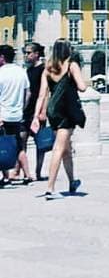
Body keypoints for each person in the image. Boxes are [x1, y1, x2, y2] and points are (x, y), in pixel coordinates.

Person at [35, 40, 86, 199]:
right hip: (67, 111)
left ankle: (72, 181)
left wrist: (37, 115)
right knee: (59, 148)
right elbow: (82, 87)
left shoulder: (48, 68)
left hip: (53, 111)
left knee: (66, 148)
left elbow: (42, 94)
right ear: (68, 50)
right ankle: (50, 188)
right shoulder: (71, 65)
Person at [0, 44, 33, 186]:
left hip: (3, 115)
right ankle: (27, 175)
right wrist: (22, 107)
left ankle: (6, 177)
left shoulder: (1, 73)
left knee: (3, 146)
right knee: (19, 146)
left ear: (2, 58)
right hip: (17, 115)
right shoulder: (21, 71)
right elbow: (28, 93)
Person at [23, 42, 47, 180]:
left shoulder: (43, 70)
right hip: (27, 110)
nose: (26, 55)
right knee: (22, 140)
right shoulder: (28, 70)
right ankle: (24, 171)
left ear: (36, 54)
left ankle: (38, 171)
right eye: (25, 53)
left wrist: (43, 111)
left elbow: (46, 92)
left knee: (40, 143)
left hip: (38, 111)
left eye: (29, 52)